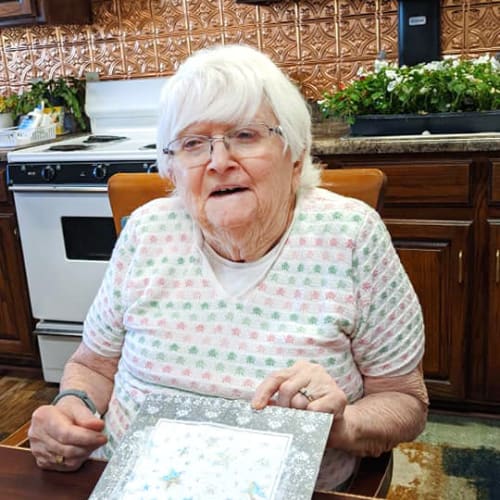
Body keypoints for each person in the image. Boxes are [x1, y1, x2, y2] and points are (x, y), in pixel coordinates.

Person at [29, 44, 428, 491]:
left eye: (245, 135)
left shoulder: (349, 236)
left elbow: (404, 400)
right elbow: (94, 365)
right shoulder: (146, 233)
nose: (219, 162)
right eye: (194, 144)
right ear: (174, 170)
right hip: (133, 481)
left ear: (295, 157)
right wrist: (71, 406)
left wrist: (343, 426)